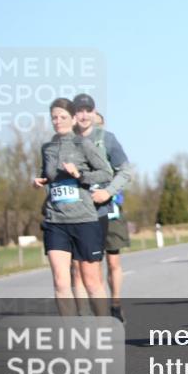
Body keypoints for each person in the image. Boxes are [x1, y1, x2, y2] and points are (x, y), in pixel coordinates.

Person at [32, 98, 114, 316]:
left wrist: (79, 175)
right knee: (60, 282)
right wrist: (40, 180)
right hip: (55, 220)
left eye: (62, 117)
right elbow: (46, 173)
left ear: (73, 118)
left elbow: (106, 172)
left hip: (84, 220)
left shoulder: (83, 144)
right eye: (54, 118)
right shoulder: (47, 148)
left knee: (91, 281)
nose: (58, 121)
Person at [70, 94, 134, 323]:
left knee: (112, 261)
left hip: (107, 210)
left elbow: (125, 171)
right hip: (73, 215)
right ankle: (86, 318)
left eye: (89, 110)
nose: (84, 115)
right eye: (79, 110)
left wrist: (108, 192)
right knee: (78, 269)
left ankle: (114, 303)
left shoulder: (107, 139)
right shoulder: (64, 141)